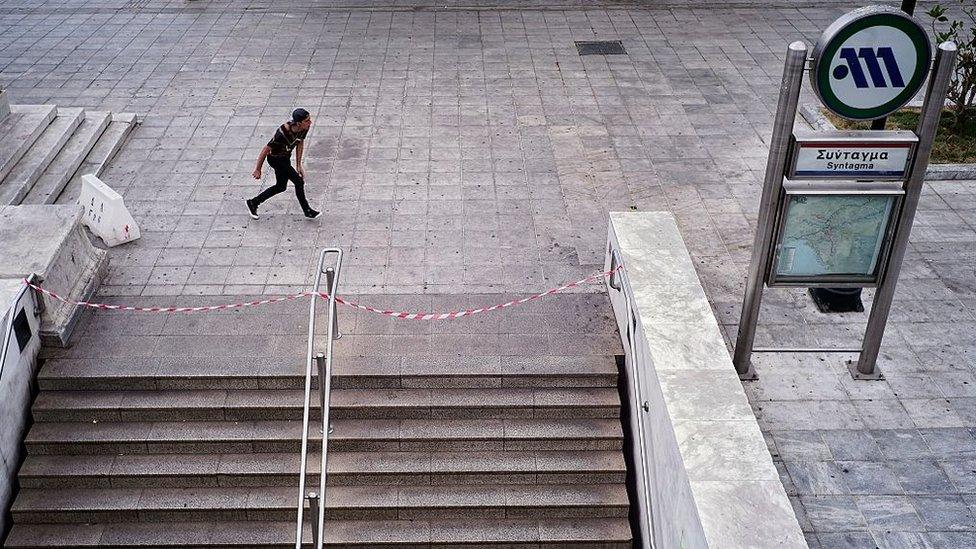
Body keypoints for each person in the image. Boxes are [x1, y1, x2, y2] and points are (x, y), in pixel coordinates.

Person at [245, 108, 320, 219]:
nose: (310, 123)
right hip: (275, 160)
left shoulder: (304, 128)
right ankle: (307, 210)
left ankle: (253, 202)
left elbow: (300, 143)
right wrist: (258, 169)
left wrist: (298, 164)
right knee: (298, 182)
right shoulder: (282, 133)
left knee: (280, 186)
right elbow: (266, 149)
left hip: (285, 158)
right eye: (307, 121)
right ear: (298, 123)